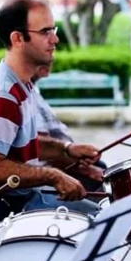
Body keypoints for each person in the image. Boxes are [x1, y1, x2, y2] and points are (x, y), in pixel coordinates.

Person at [0, 0, 101, 235]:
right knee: (97, 223)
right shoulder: (2, 97)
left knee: (100, 209)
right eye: (45, 32)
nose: (55, 38)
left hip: (17, 198)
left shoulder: (21, 84)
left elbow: (19, 145)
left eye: (53, 29)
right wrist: (52, 175)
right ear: (18, 38)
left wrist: (65, 150)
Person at [32, 64, 106, 193]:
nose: (50, 62)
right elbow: (40, 149)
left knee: (101, 166)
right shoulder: (22, 95)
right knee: (103, 182)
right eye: (44, 57)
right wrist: (86, 169)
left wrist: (74, 152)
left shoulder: (32, 90)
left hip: (61, 162)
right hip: (47, 174)